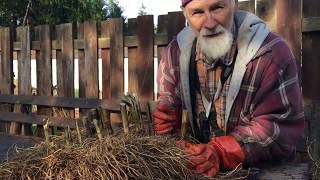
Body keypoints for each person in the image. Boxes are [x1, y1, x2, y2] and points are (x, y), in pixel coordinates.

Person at [153, 0, 305, 177]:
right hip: (198, 172)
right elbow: (168, 110)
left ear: (235, 4)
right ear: (185, 14)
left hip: (263, 173)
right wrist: (168, 122)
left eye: (217, 7)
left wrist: (222, 152)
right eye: (197, 13)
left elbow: (278, 128)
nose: (209, 23)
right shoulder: (175, 54)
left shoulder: (270, 53)